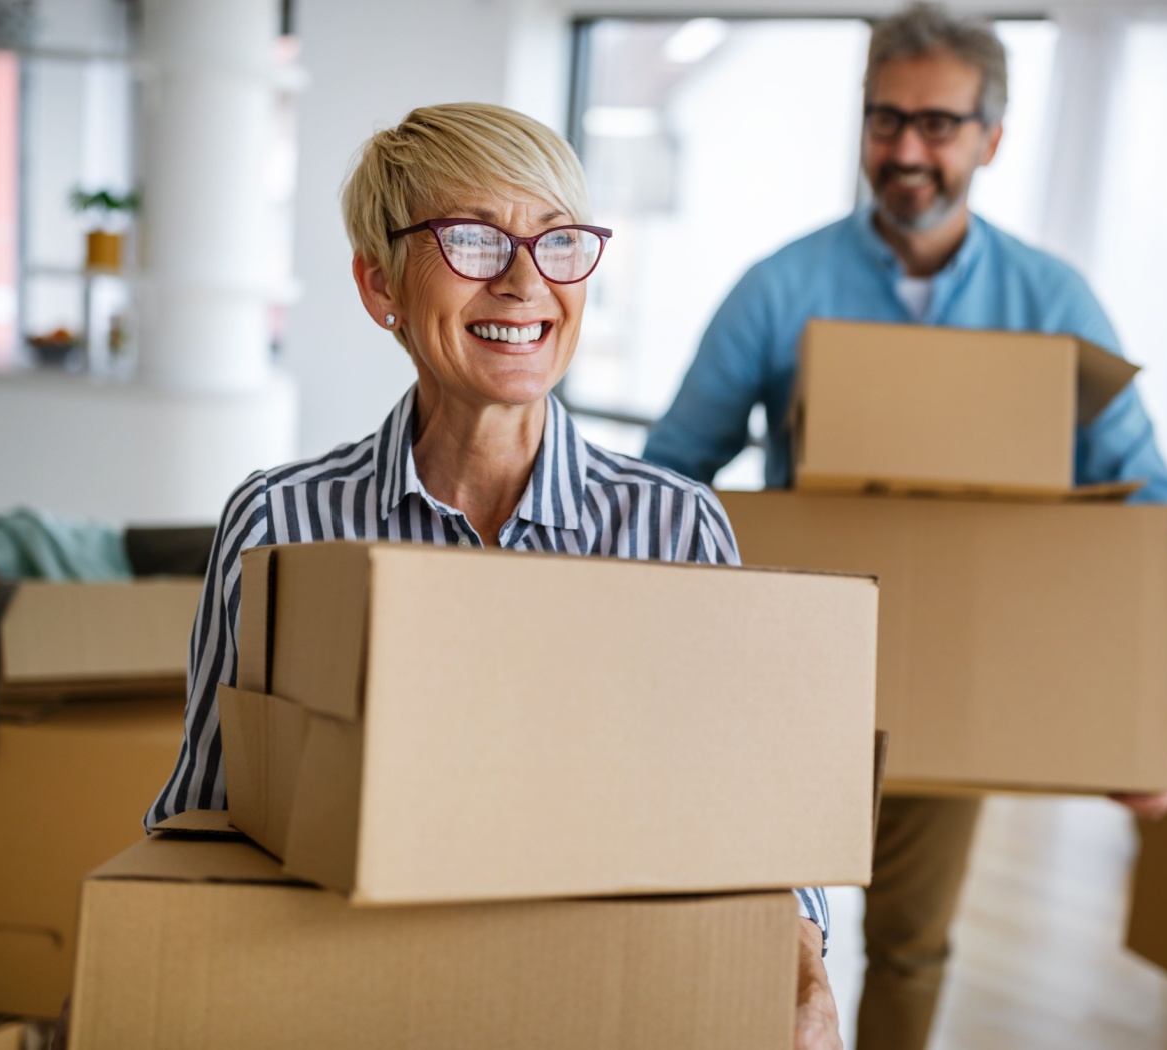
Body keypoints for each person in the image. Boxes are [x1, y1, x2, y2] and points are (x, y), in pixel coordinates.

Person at [143, 103, 843, 1050]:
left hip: (604, 1009)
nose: (524, 283)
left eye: (559, 244)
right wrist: (133, 971)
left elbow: (756, 822)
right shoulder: (279, 525)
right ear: (377, 281)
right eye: (473, 241)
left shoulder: (676, 528)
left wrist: (803, 971)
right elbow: (205, 807)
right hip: (350, 1005)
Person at [643, 7, 1167, 1050]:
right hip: (789, 677)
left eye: (937, 125)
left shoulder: (1048, 300)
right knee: (748, 931)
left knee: (910, 944)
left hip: (955, 684)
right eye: (884, 119)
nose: (906, 150)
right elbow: (671, 477)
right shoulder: (781, 289)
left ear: (991, 137)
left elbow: (1161, 510)